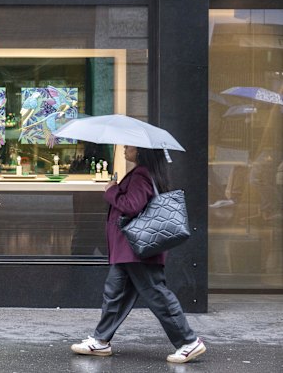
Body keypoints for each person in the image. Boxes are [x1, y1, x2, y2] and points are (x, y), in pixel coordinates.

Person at [71, 145, 206, 364]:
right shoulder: (144, 173)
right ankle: (100, 340)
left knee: (157, 294)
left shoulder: (142, 174)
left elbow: (131, 206)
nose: (125, 148)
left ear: (142, 151)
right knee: (114, 295)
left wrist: (111, 190)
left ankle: (189, 342)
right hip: (128, 250)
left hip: (137, 249)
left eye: (130, 146)